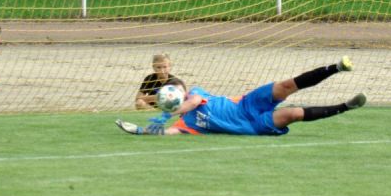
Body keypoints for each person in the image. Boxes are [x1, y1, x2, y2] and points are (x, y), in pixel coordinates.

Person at [116, 56, 366, 136]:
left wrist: (169, 111)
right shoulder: (185, 125)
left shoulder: (196, 94)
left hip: (247, 102)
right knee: (293, 114)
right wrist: (142, 131)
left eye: (180, 91)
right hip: (252, 126)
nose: (182, 94)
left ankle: (336, 68)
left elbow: (191, 103)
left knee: (287, 85)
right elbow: (167, 132)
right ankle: (347, 106)